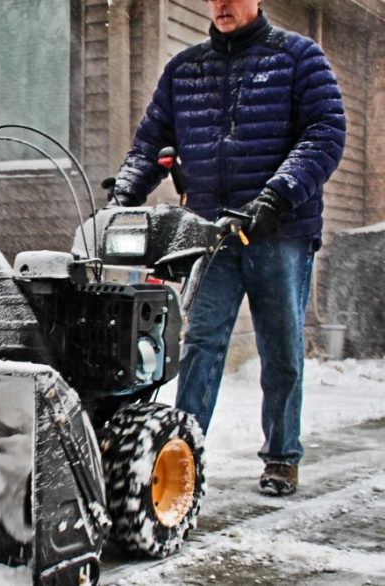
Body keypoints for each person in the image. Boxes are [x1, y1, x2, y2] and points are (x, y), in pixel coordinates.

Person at [109, 0, 346, 496]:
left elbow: (325, 134)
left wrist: (275, 197)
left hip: (279, 232)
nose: (220, 3)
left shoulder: (298, 58)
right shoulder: (185, 69)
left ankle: (281, 456)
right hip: (211, 233)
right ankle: (184, 455)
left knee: (280, 349)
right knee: (201, 345)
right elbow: (152, 142)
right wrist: (124, 193)